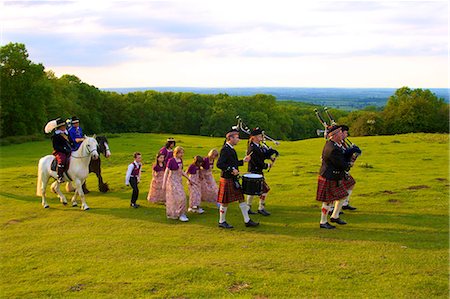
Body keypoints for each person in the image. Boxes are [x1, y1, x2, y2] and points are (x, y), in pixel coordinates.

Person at [216, 129, 258, 229]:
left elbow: (232, 163)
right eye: (237, 138)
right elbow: (219, 164)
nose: (238, 140)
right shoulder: (225, 149)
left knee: (241, 198)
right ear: (230, 138)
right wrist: (231, 170)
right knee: (225, 202)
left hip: (233, 178)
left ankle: (247, 220)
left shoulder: (231, 149)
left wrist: (243, 161)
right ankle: (222, 221)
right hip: (227, 178)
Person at [316, 125, 353, 229]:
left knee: (342, 196)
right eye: (340, 133)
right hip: (329, 176)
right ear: (335, 135)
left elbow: (342, 157)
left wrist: (348, 153)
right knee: (327, 201)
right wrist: (349, 163)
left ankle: (335, 216)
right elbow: (341, 164)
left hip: (334, 175)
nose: (342, 134)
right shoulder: (332, 148)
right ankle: (323, 222)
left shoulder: (335, 144)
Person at [246, 127, 275, 216]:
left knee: (252, 190)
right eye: (259, 136)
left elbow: (262, 155)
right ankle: (261, 208)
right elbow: (256, 161)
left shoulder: (258, 146)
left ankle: (248, 208)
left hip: (256, 172)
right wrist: (267, 165)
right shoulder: (252, 148)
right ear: (253, 137)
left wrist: (270, 156)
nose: (261, 138)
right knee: (265, 190)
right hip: (254, 172)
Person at [162, 146, 193, 222]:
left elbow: (181, 171)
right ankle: (177, 213)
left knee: (181, 197)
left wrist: (188, 178)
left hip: (179, 181)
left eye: (183, 153)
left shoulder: (180, 160)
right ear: (176, 153)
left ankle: (181, 213)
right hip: (172, 181)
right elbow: (166, 172)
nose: (182, 154)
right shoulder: (171, 160)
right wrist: (164, 183)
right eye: (181, 153)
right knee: (178, 198)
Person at [340, 125, 358, 211]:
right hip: (339, 169)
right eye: (346, 133)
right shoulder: (338, 143)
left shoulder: (343, 142)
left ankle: (345, 203)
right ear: (341, 133)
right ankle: (332, 209)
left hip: (344, 168)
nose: (347, 135)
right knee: (336, 189)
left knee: (351, 183)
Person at [51, 118, 73, 183]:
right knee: (62, 160)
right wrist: (64, 149)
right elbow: (55, 146)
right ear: (59, 127)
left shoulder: (66, 133)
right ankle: (59, 176)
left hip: (68, 150)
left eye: (64, 126)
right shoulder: (55, 136)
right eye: (63, 126)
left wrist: (71, 145)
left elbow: (70, 141)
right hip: (59, 151)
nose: (64, 127)